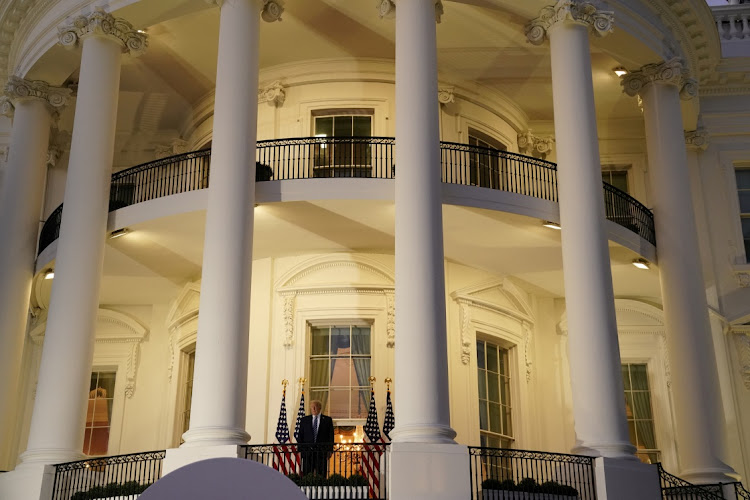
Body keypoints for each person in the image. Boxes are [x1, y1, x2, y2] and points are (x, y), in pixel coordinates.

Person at [297, 400, 334, 477]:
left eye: (315, 407)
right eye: (312, 407)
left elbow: (330, 436)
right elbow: (300, 436)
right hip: (307, 453)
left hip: (321, 452)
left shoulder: (327, 420)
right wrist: (301, 450)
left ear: (320, 408)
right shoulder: (304, 420)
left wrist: (330, 450)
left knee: (321, 475)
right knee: (307, 475)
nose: (313, 409)